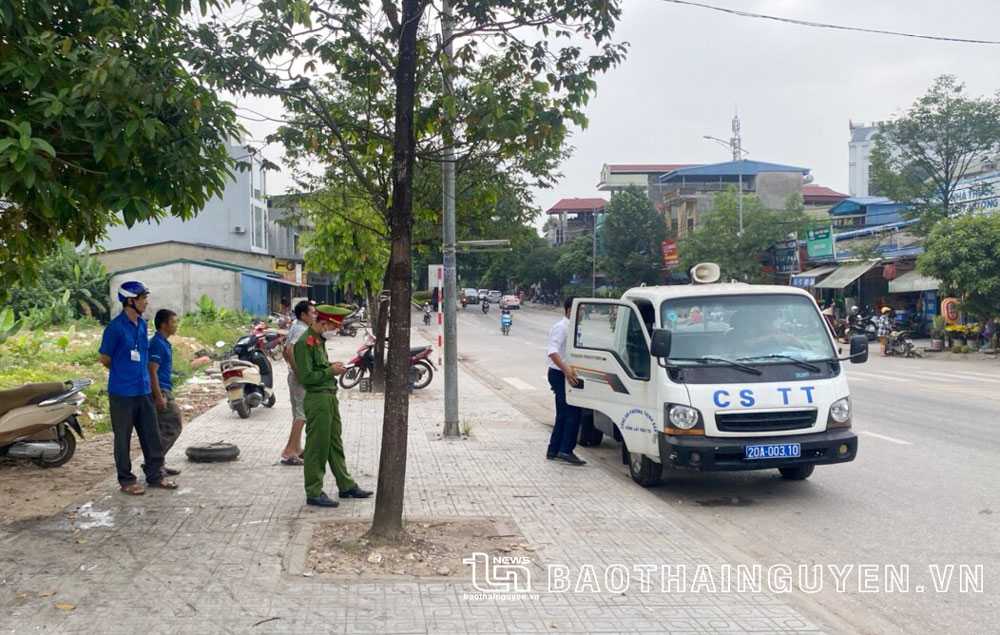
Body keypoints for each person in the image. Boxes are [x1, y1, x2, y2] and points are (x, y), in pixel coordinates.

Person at [98, 281, 176, 495]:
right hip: (122, 392)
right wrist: (123, 371)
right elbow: (105, 358)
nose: (146, 302)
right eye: (143, 298)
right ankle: (126, 480)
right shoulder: (115, 328)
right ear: (130, 301)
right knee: (122, 439)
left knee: (151, 435)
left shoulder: (142, 325)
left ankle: (155, 476)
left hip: (143, 390)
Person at [294, 304, 373, 507]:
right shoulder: (305, 343)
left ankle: (346, 485)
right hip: (317, 399)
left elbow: (317, 368)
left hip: (329, 397)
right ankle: (313, 491)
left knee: (334, 445)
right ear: (323, 323)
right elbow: (306, 377)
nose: (334, 331)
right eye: (332, 327)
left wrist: (330, 366)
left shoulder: (317, 340)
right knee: (316, 448)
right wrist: (331, 372)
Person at [546, 297, 585, 466]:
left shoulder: (574, 327)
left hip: (563, 373)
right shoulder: (562, 328)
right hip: (559, 374)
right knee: (573, 413)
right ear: (570, 310)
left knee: (562, 414)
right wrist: (566, 370)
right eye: (580, 310)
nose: (583, 313)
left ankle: (554, 449)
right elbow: (552, 351)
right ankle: (566, 450)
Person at [280, 300, 316, 465]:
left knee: (298, 413)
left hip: (293, 377)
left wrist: (292, 369)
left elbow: (284, 351)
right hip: (298, 378)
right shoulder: (301, 330)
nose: (314, 316)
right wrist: (299, 372)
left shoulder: (296, 327)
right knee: (302, 414)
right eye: (312, 313)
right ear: (303, 315)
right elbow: (289, 351)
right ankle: (289, 451)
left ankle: (297, 447)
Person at [148, 309, 182, 476]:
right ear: (163, 324)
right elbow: (151, 370)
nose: (176, 325)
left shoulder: (163, 342)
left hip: (165, 389)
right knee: (173, 426)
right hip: (161, 390)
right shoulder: (157, 343)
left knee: (162, 429)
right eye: (173, 322)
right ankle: (152, 463)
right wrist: (159, 396)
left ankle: (157, 464)